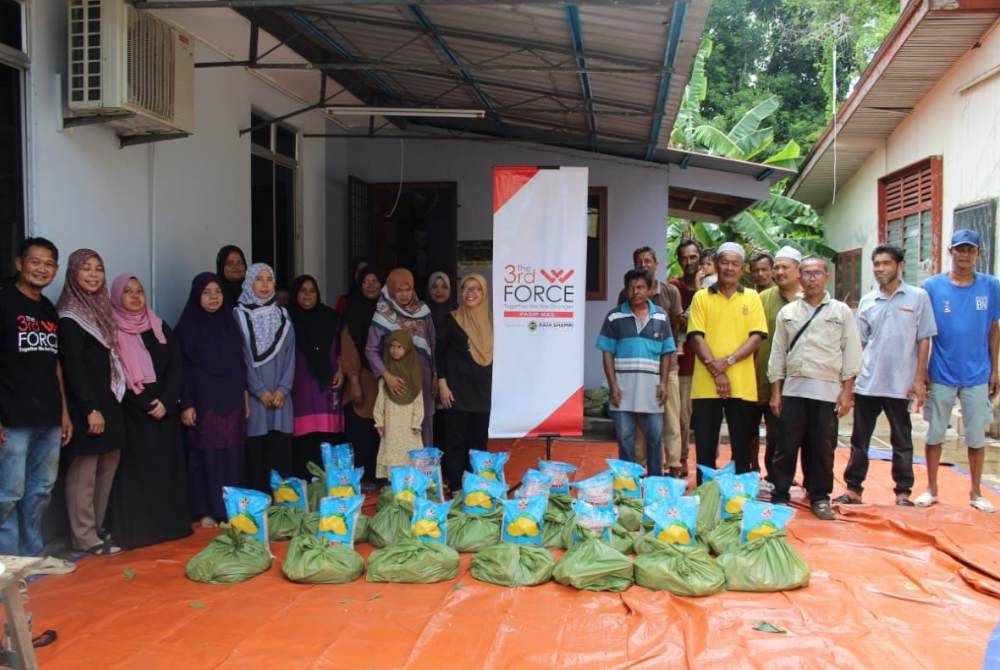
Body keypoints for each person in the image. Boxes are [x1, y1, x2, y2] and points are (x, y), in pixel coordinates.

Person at [835, 245, 935, 507]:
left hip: (900, 384)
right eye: (876, 264)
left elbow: (924, 339)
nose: (880, 269)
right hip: (868, 383)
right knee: (860, 440)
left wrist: (919, 378)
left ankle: (903, 492)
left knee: (902, 440)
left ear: (900, 265)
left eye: (886, 263)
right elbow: (861, 344)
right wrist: (851, 380)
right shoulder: (868, 301)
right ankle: (854, 489)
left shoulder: (918, 297)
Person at [768, 257, 861, 520]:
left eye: (817, 273)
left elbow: (851, 352)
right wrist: (776, 391)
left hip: (827, 390)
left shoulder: (840, 312)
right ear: (799, 276)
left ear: (826, 276)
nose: (812, 278)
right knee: (786, 445)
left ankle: (820, 497)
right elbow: (777, 354)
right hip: (794, 389)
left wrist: (847, 393)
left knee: (822, 446)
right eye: (806, 273)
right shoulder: (788, 313)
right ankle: (780, 494)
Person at [917, 229, 1000, 512]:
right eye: (959, 249)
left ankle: (976, 492)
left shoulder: (991, 286)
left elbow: (993, 329)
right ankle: (931, 488)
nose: (964, 255)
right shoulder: (932, 287)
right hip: (941, 371)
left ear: (978, 253)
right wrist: (922, 371)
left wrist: (995, 369)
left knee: (976, 435)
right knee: (935, 433)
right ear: (950, 252)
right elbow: (924, 333)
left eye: (970, 250)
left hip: (977, 373)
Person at [0, 238, 73, 557]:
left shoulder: (47, 309)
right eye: (35, 261)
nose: (42, 269)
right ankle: (7, 562)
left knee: (41, 491)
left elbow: (54, 364)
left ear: (55, 270)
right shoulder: (3, 302)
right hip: (12, 417)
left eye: (48, 264)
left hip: (48, 416)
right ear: (19, 264)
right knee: (8, 494)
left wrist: (64, 412)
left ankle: (31, 556)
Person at [106, 275, 191, 549]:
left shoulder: (159, 326)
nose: (134, 296)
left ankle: (169, 526)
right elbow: (113, 371)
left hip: (164, 413)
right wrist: (143, 402)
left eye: (139, 291)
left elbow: (176, 366)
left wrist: (167, 401)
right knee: (136, 474)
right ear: (117, 296)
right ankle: (140, 531)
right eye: (128, 292)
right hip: (133, 414)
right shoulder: (110, 328)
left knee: (165, 471)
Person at [57, 249, 126, 555]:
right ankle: (83, 536)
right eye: (86, 269)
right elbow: (73, 367)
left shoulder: (101, 311)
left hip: (108, 400)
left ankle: (96, 530)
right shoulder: (71, 316)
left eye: (99, 268)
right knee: (84, 473)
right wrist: (90, 409)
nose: (94, 274)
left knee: (107, 466)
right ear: (73, 273)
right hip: (88, 405)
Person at [687, 242, 766, 482]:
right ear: (716, 265)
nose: (729, 268)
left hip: (742, 385)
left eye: (735, 264)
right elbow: (695, 336)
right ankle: (706, 493)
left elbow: (757, 337)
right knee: (705, 445)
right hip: (705, 385)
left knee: (742, 446)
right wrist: (717, 370)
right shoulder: (701, 297)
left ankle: (738, 497)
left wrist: (728, 362)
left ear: (742, 269)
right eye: (724, 262)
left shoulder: (752, 297)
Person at [176, 273, 247, 527]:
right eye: (207, 292)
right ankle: (206, 510)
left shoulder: (229, 323)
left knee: (231, 454)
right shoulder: (186, 327)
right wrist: (186, 403)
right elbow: (181, 370)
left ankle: (229, 508)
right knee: (205, 454)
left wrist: (244, 397)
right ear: (197, 296)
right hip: (202, 400)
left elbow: (240, 364)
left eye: (217, 291)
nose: (214, 297)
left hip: (231, 399)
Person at [596, 268, 676, 477]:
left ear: (650, 290)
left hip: (652, 389)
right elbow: (607, 354)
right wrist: (613, 386)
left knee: (654, 437)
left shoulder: (660, 316)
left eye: (640, 287)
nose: (635, 292)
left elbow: (667, 352)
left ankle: (655, 480)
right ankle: (627, 481)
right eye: (631, 287)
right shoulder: (614, 317)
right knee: (625, 437)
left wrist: (664, 383)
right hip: (622, 389)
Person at [617, 247, 683, 475]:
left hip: (667, 366)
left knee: (671, 419)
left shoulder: (670, 291)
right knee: (639, 423)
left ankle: (674, 465)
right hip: (636, 369)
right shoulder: (626, 294)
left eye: (648, 260)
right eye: (639, 261)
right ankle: (640, 466)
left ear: (656, 263)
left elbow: (676, 324)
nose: (644, 264)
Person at [236, 263, 296, 491]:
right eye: (258, 279)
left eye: (269, 279)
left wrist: (283, 390)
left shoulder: (283, 315)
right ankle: (260, 507)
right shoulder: (239, 315)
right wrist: (260, 391)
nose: (264, 284)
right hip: (255, 398)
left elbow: (291, 355)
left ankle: (281, 508)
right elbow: (241, 358)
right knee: (256, 454)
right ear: (249, 283)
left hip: (281, 397)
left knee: (279, 454)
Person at [366, 268, 436, 445]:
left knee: (422, 423)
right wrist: (386, 376)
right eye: (399, 290)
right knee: (397, 428)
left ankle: (423, 471)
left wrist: (436, 375)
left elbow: (433, 345)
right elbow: (371, 350)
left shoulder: (424, 311)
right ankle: (399, 473)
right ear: (390, 290)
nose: (404, 295)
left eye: (408, 289)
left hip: (423, 378)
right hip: (396, 380)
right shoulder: (383, 314)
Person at [437, 274, 493, 490]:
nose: (470, 293)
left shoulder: (492, 320)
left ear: (484, 293)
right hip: (456, 391)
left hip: (483, 391)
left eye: (476, 289)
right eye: (466, 289)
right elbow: (439, 354)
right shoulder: (450, 319)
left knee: (478, 442)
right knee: (456, 442)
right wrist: (442, 383)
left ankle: (476, 486)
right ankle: (457, 486)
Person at [752, 246, 801, 487]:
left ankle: (783, 477)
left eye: (785, 267)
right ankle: (763, 475)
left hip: (799, 380)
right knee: (769, 431)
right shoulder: (763, 299)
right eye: (777, 268)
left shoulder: (811, 299)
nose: (779, 272)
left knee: (789, 433)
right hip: (764, 377)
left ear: (798, 270)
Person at [288, 274, 344, 479]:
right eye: (303, 290)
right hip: (298, 383)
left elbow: (340, 348)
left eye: (312, 291)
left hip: (326, 385)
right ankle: (304, 483)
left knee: (325, 437)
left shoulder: (330, 317)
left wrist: (340, 370)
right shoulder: (287, 318)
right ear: (295, 294)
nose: (307, 295)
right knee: (303, 436)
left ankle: (325, 482)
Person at [341, 266, 383, 485]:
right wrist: (355, 382)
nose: (371, 285)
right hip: (362, 380)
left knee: (380, 432)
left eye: (375, 280)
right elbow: (348, 347)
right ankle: (363, 483)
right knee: (361, 433)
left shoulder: (387, 310)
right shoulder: (353, 310)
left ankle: (379, 482)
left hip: (384, 382)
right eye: (366, 281)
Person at [373, 330, 424, 477]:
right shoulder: (386, 375)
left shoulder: (414, 373)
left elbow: (418, 400)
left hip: (409, 425)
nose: (394, 350)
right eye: (392, 346)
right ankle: (393, 482)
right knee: (391, 451)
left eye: (399, 347)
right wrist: (379, 422)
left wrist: (416, 421)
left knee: (409, 453)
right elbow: (380, 399)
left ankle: (409, 483)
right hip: (391, 424)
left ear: (407, 348)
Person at [671, 239, 702, 477]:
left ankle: (705, 464)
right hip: (684, 363)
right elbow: (681, 320)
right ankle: (680, 460)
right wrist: (700, 290)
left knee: (699, 417)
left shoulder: (712, 286)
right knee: (681, 415)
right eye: (685, 258)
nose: (689, 262)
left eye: (693, 257)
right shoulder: (674, 286)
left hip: (708, 363)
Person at [427, 271, 457, 451]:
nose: (439, 291)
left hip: (451, 376)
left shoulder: (458, 313)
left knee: (451, 423)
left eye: (444, 286)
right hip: (426, 374)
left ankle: (448, 469)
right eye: (434, 286)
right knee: (431, 422)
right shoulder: (421, 313)